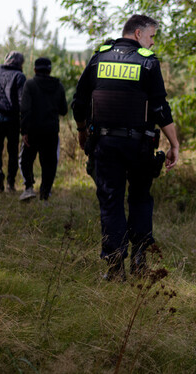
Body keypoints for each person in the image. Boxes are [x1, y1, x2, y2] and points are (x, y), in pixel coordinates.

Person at [72, 14, 180, 280]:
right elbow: (159, 108)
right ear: (138, 34)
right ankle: (140, 261)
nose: (153, 43)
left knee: (111, 202)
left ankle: (114, 267)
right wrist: (174, 143)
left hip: (105, 144)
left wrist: (82, 131)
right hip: (139, 145)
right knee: (141, 199)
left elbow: (79, 101)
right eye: (152, 36)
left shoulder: (99, 57)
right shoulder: (148, 62)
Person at [19, 57, 67, 202]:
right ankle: (45, 194)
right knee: (50, 163)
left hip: (33, 130)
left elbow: (25, 109)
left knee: (26, 160)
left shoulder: (30, 84)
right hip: (51, 131)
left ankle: (28, 188)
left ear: (35, 70)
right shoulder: (58, 86)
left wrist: (24, 131)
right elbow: (64, 110)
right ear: (50, 70)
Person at [0, 51, 26, 192]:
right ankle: (10, 183)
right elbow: (22, 101)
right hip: (12, 119)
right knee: (12, 151)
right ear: (20, 63)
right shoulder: (19, 76)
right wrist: (25, 122)